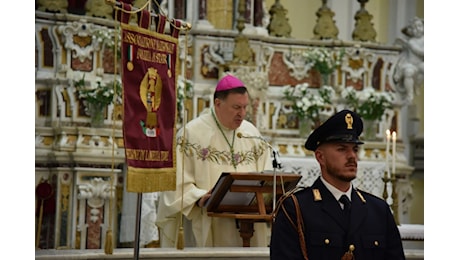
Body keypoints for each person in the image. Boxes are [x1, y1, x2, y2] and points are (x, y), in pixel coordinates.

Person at [156, 73, 273, 247]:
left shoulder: (252, 133)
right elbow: (175, 185)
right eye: (236, 107)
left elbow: (267, 174)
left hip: (250, 223)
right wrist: (199, 196)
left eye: (244, 107)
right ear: (218, 104)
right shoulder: (191, 134)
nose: (242, 114)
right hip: (210, 220)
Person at [270, 109, 405, 259]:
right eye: (342, 149)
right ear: (320, 157)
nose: (352, 156)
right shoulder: (296, 208)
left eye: (355, 149)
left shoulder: (379, 211)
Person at [393, 17, 424, 104]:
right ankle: (409, 95)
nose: (417, 29)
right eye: (414, 27)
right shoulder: (410, 41)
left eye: (419, 26)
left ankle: (417, 84)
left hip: (420, 63)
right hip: (410, 64)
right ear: (410, 31)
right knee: (408, 72)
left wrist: (412, 47)